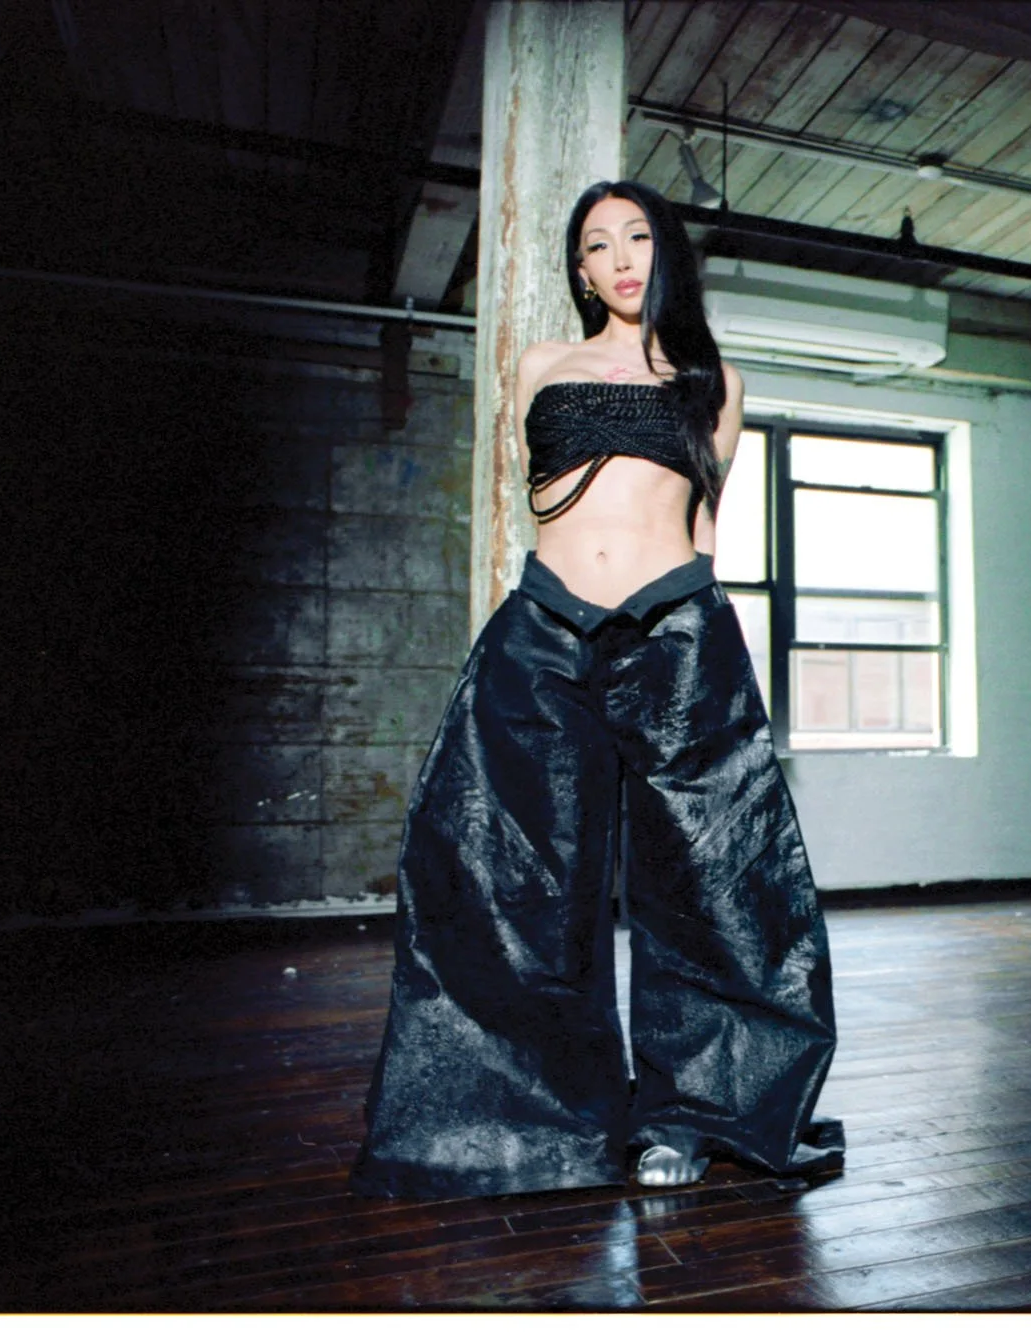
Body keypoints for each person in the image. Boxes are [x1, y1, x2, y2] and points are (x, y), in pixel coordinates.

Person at [349, 180, 843, 1198]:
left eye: (638, 238)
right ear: (578, 271)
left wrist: (701, 636)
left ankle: (693, 1116)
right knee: (509, 869)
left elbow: (705, 527)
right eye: (596, 246)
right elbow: (528, 501)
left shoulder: (714, 380)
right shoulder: (541, 365)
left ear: (667, 255)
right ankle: (532, 1122)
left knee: (710, 886)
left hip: (675, 632)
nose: (620, 258)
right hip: (546, 629)